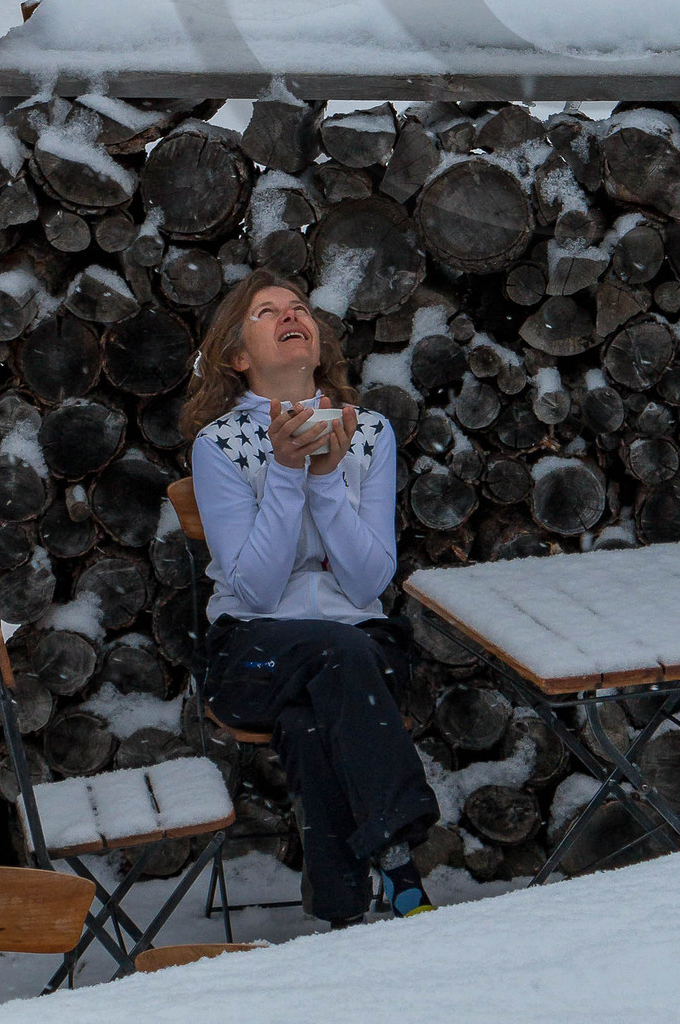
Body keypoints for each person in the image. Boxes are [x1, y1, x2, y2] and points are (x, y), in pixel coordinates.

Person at [182, 268, 439, 924]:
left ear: (319, 345)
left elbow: (366, 581)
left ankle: (342, 913)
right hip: (252, 660)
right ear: (238, 356)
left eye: (299, 307)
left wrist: (328, 477)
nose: (290, 314)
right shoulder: (220, 445)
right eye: (265, 311)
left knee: (316, 707)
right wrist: (289, 472)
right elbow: (260, 589)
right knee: (332, 658)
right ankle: (399, 859)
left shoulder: (370, 433)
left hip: (362, 657)